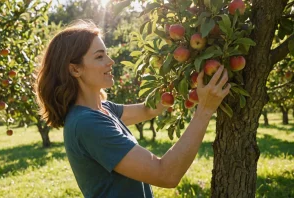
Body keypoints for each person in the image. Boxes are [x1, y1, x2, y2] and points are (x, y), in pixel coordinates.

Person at [35, 20, 231, 198]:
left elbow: (149, 110)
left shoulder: (103, 109)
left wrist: (182, 78)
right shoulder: (87, 124)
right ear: (75, 69)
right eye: (99, 56)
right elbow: (166, 174)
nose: (110, 61)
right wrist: (204, 109)